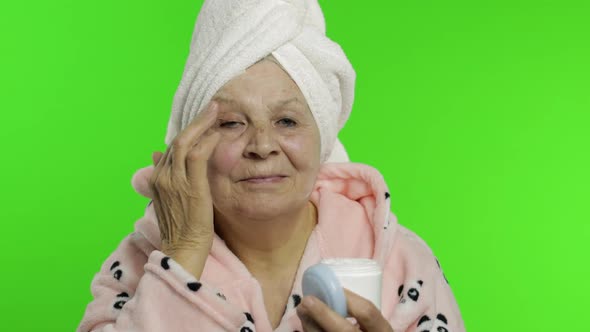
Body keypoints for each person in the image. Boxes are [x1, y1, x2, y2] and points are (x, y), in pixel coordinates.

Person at [77, 1, 464, 331]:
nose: (262, 146)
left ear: (323, 138)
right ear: (191, 145)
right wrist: (184, 255)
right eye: (231, 123)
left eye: (287, 121)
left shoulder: (401, 259)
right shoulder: (139, 261)